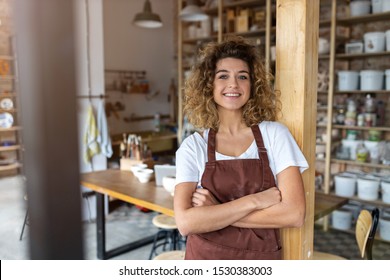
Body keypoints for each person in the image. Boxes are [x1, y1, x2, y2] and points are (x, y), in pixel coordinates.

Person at [174, 36, 309, 260]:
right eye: (223, 76)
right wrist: (254, 201)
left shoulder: (274, 135)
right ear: (209, 85)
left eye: (242, 77)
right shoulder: (193, 147)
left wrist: (215, 210)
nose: (233, 84)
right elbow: (186, 223)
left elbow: (294, 214)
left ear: (252, 85)